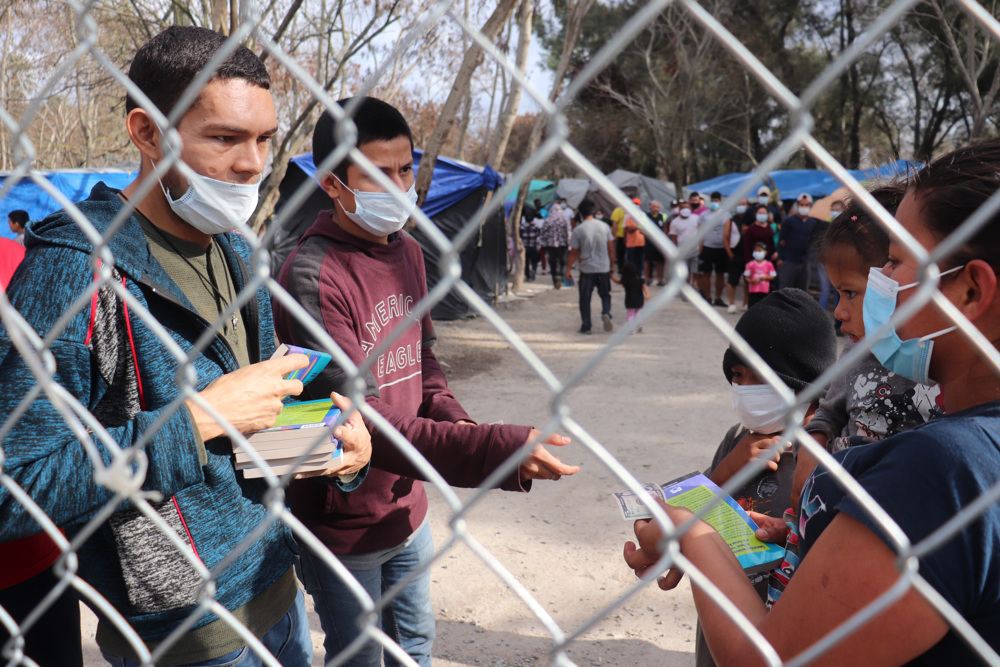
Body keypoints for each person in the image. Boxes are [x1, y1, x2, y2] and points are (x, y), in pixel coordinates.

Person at [0, 26, 373, 667]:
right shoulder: (72, 271)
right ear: (146, 133)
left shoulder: (232, 248)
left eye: (264, 138)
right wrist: (199, 419)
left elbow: (254, 424)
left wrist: (332, 442)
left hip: (277, 594)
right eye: (224, 138)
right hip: (185, 637)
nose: (254, 162)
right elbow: (15, 492)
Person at [625, 139, 1000, 664]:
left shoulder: (945, 469)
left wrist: (693, 535)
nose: (878, 287)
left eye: (894, 262)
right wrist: (812, 530)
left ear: (970, 292)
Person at [273, 96, 580, 667]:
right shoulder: (311, 275)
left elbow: (424, 361)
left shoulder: (410, 252)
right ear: (335, 185)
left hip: (408, 502)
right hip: (342, 519)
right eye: (377, 173)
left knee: (415, 644)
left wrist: (457, 422)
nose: (398, 186)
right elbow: (359, 414)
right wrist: (493, 449)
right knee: (359, 653)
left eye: (405, 169)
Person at [695, 288, 837, 667]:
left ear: (798, 378)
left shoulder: (833, 454)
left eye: (753, 377)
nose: (740, 390)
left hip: (792, 625)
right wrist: (729, 468)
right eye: (735, 376)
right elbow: (693, 508)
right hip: (723, 617)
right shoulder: (738, 439)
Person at [566, 199, 614, 334]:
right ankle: (606, 312)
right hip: (603, 267)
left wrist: (568, 269)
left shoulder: (578, 230)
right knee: (605, 295)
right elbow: (611, 248)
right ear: (593, 212)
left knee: (585, 298)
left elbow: (573, 252)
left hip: (587, 269)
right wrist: (611, 266)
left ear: (580, 214)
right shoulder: (604, 226)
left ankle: (586, 326)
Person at [777, 193, 820, 290]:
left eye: (806, 205)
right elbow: (782, 241)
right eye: (802, 204)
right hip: (789, 261)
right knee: (785, 289)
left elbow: (812, 240)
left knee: (802, 291)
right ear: (797, 205)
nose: (804, 207)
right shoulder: (789, 221)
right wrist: (780, 258)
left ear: (810, 206)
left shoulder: (812, 223)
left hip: (804, 262)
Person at [698, 192, 730, 307]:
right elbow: (700, 232)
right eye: (713, 201)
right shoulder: (704, 215)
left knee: (720, 274)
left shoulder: (725, 215)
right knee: (706, 273)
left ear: (720, 202)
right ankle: (708, 297)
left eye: (717, 201)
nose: (714, 203)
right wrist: (700, 247)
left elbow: (727, 234)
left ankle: (718, 298)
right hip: (707, 248)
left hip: (721, 249)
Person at [724, 198, 750, 313]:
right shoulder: (731, 220)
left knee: (747, 281)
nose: (742, 206)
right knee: (732, 280)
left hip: (748, 255)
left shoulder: (751, 220)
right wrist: (730, 253)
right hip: (735, 254)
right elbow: (725, 237)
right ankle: (732, 303)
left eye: (744, 204)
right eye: (740, 204)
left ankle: (745, 303)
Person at [668, 200, 701, 290]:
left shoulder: (696, 218)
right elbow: (673, 238)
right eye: (683, 208)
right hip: (682, 251)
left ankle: (694, 285)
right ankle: (686, 288)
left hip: (696, 249)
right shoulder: (675, 222)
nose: (685, 210)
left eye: (687, 208)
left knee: (696, 270)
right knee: (686, 272)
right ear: (679, 209)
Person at [541, 199, 572, 289]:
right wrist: (569, 244)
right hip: (563, 245)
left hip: (550, 245)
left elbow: (543, 233)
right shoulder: (564, 220)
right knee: (563, 261)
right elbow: (568, 233)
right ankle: (561, 275)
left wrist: (543, 244)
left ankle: (555, 278)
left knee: (553, 262)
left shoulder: (547, 221)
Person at [613, 261, 650, 332]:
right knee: (638, 313)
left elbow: (617, 281)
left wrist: (611, 276)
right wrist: (648, 294)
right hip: (639, 299)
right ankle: (639, 324)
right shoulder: (640, 280)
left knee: (630, 315)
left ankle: (631, 328)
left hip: (630, 300)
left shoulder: (626, 281)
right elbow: (645, 287)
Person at [743, 242, 776, 308]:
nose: (757, 252)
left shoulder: (768, 264)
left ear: (765, 252)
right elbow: (746, 277)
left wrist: (765, 277)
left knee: (763, 306)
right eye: (755, 250)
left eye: (759, 251)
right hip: (753, 290)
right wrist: (751, 281)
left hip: (764, 290)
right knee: (752, 306)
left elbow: (773, 276)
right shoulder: (750, 264)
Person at [644, 200, 669, 286]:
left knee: (660, 261)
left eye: (657, 207)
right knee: (647, 261)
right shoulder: (645, 216)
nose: (655, 209)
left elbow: (666, 228)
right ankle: (647, 279)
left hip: (660, 242)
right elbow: (640, 227)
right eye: (653, 207)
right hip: (649, 242)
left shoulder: (663, 217)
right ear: (650, 207)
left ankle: (660, 279)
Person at [519, 206, 542, 281]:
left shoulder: (522, 227)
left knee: (526, 262)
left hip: (525, 247)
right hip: (533, 247)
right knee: (534, 261)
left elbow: (520, 237)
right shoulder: (535, 227)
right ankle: (534, 270)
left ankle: (528, 276)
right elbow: (538, 237)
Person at [623, 197, 646, 270]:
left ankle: (639, 276)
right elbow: (627, 229)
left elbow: (645, 228)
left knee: (639, 261)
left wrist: (634, 227)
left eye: (637, 204)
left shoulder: (643, 215)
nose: (635, 205)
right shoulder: (627, 215)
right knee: (630, 262)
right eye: (634, 204)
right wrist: (625, 239)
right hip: (631, 243)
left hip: (640, 243)